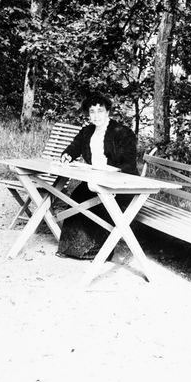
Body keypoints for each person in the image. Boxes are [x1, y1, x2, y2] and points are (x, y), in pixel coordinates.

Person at [56, 92, 138, 260]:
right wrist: (67, 155)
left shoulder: (122, 132)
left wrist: (109, 170)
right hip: (95, 180)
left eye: (100, 110)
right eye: (92, 111)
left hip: (120, 185)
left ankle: (99, 252)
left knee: (101, 202)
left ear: (108, 111)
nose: (96, 115)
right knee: (78, 196)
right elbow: (74, 147)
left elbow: (129, 165)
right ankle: (72, 249)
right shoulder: (87, 132)